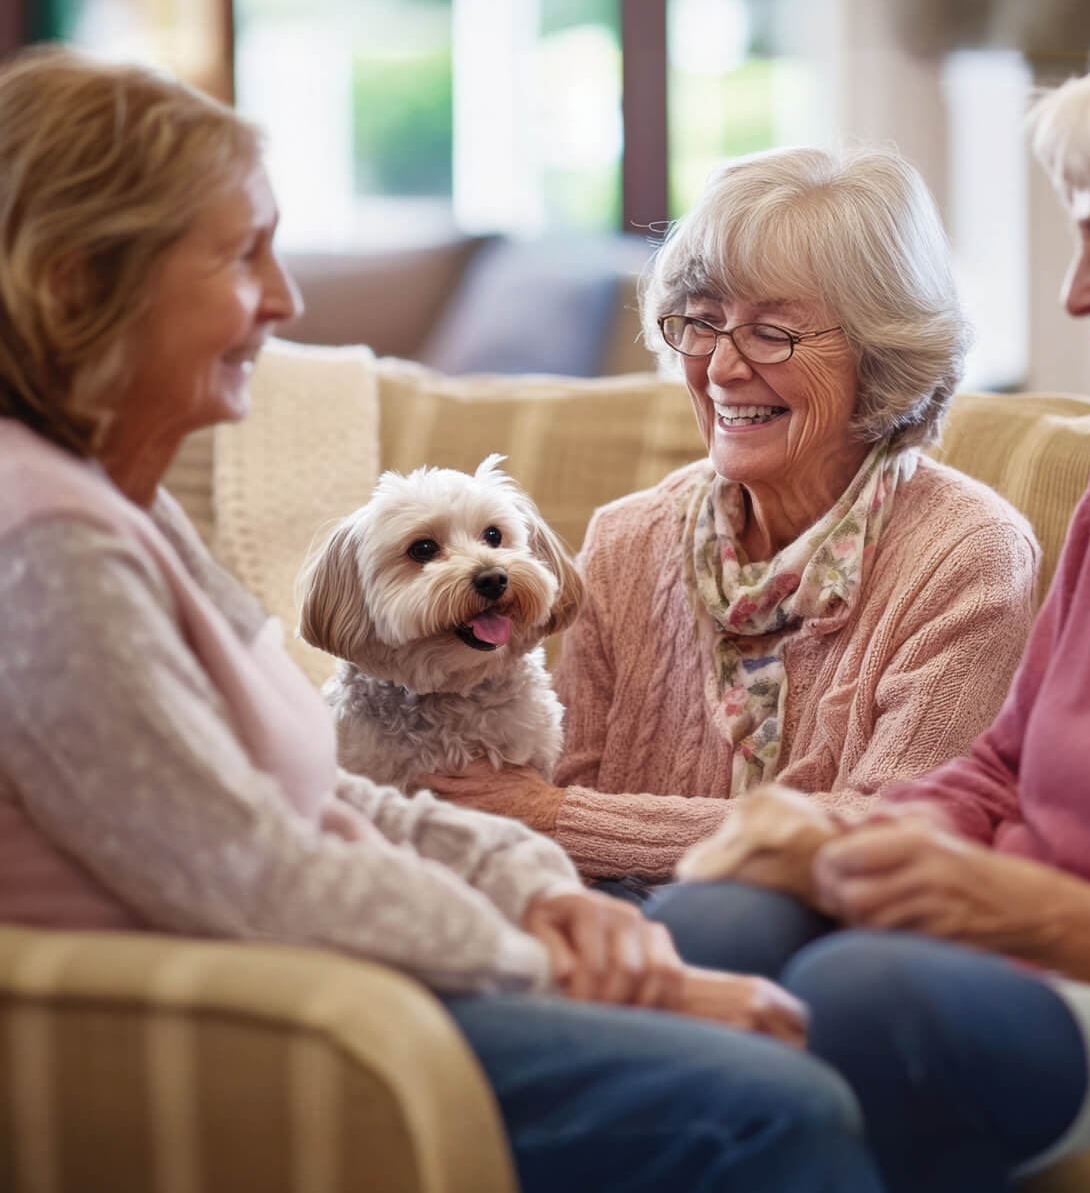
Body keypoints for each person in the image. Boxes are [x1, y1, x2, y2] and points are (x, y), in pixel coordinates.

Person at [0, 46, 895, 1193]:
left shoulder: (113, 500)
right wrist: (572, 965)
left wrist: (536, 889)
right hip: (256, 1021)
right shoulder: (46, 548)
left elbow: (320, 802)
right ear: (74, 285)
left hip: (334, 971)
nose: (286, 300)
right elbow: (247, 870)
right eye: (239, 255)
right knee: (777, 1104)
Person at [648, 29, 1090, 1193]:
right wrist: (874, 845)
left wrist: (1011, 907)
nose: (1073, 293)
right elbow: (998, 764)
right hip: (1000, 933)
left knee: (867, 992)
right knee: (709, 919)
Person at [425, 144, 1041, 890]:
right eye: (703, 321)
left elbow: (892, 833)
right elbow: (558, 779)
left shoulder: (968, 555)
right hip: (608, 915)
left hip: (832, 938)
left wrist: (564, 821)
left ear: (880, 354)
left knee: (727, 917)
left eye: (772, 333)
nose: (720, 368)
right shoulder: (629, 538)